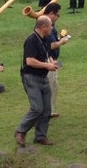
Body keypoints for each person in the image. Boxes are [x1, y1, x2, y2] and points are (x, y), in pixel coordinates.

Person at [14, 15, 59, 147]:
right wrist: (47, 66)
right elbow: (30, 61)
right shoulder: (32, 40)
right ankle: (20, 131)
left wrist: (50, 61)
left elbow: (45, 54)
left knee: (47, 109)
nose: (52, 27)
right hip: (31, 78)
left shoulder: (44, 39)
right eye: (50, 25)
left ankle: (40, 136)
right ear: (43, 27)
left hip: (43, 78)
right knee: (37, 108)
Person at [42, 2, 70, 118]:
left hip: (53, 60)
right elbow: (51, 45)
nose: (58, 17)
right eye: (57, 15)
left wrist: (59, 39)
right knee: (50, 86)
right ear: (51, 14)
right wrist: (62, 42)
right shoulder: (47, 26)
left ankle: (50, 110)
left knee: (54, 85)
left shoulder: (49, 26)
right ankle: (46, 111)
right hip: (48, 61)